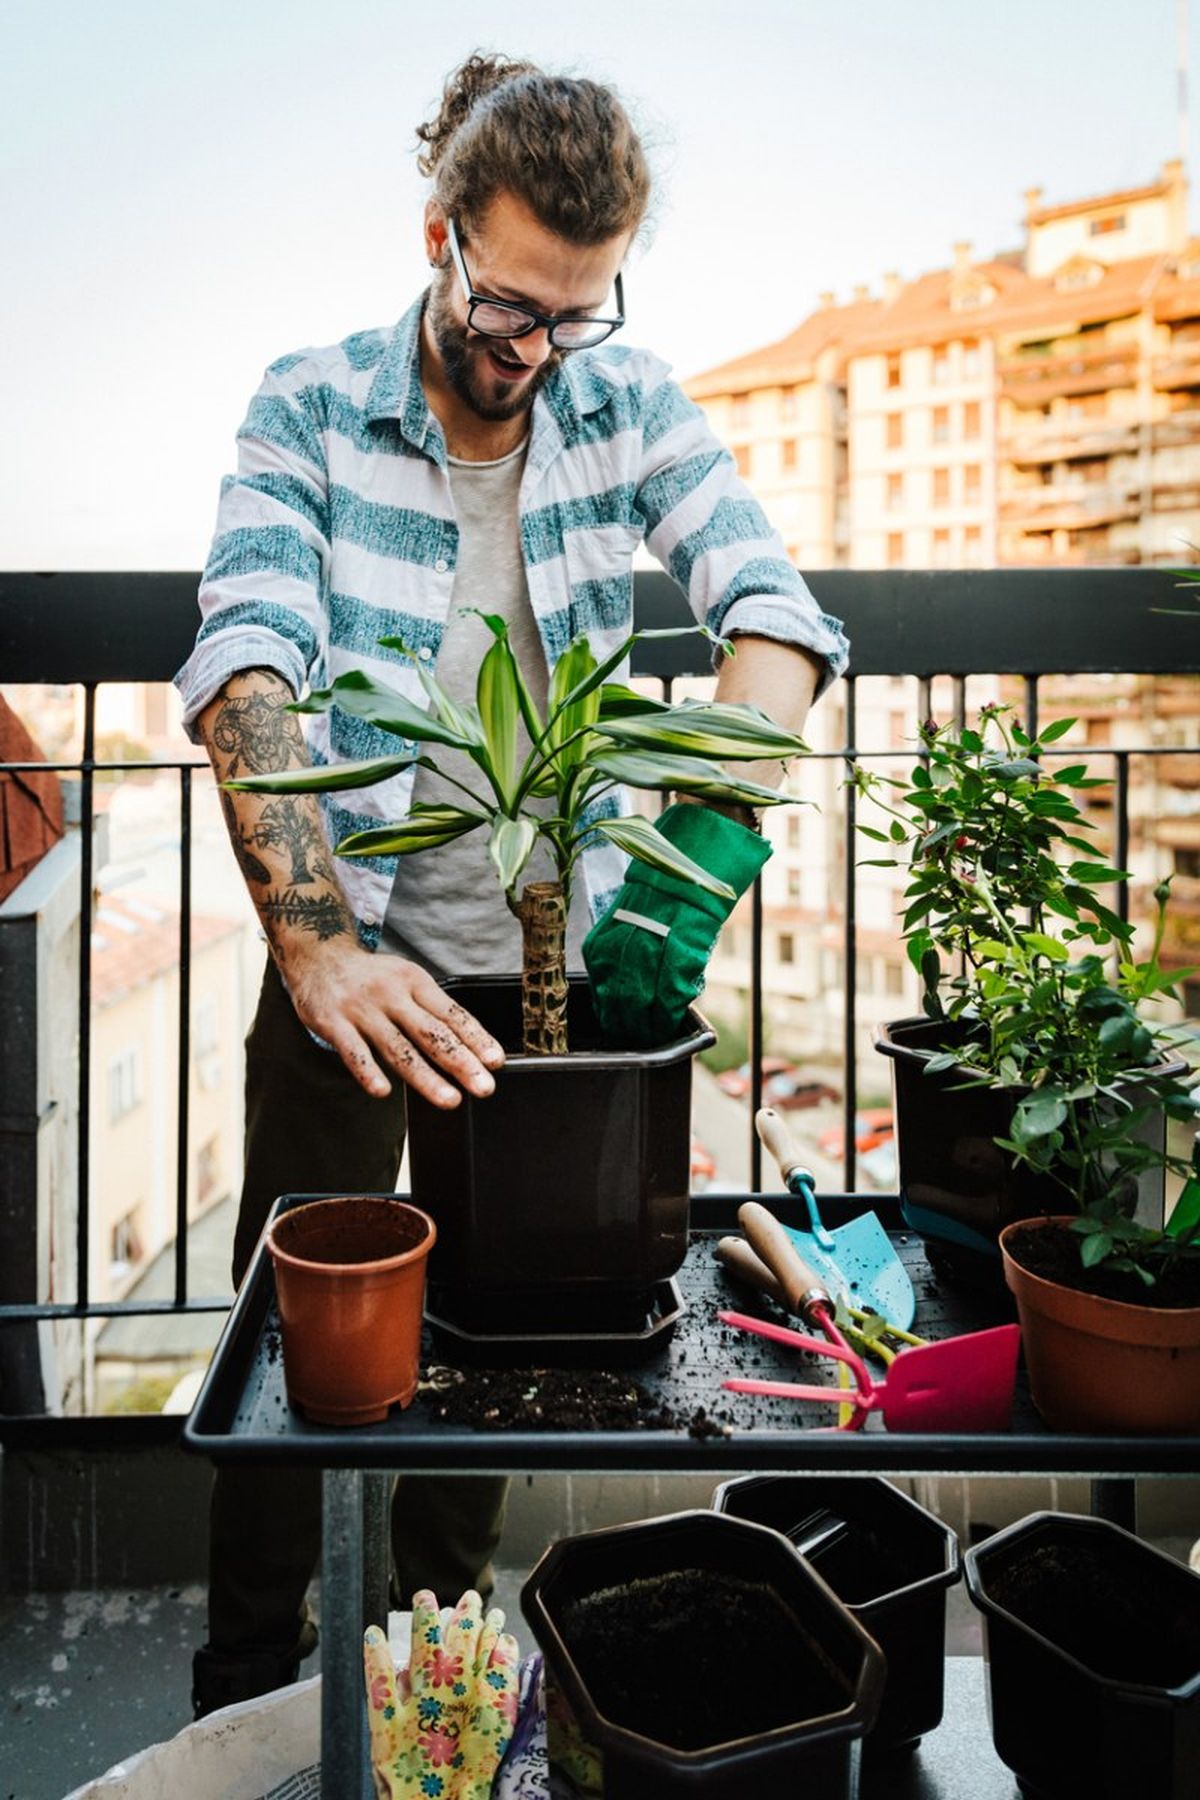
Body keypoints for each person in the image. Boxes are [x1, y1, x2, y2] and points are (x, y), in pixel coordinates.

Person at [176, 50, 850, 1716]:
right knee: (298, 1362)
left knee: (494, 1354)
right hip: (359, 964)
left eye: (575, 314)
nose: (533, 352)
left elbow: (775, 614)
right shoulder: (310, 403)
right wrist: (321, 946)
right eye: (507, 307)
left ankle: (432, 1680)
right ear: (438, 238)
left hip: (542, 993)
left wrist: (680, 886)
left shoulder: (632, 406)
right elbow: (249, 655)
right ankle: (248, 1670)